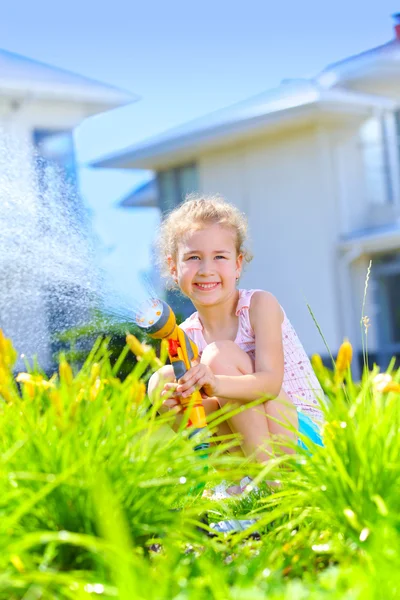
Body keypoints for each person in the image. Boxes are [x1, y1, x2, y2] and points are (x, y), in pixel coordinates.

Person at [148, 194, 324, 489]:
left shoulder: (258, 305)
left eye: (220, 256)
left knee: (219, 356)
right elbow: (201, 430)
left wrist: (215, 383)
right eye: (193, 257)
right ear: (174, 267)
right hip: (246, 453)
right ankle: (246, 490)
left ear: (238, 264)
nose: (206, 269)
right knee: (163, 379)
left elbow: (268, 384)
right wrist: (175, 406)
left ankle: (277, 490)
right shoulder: (184, 336)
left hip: (303, 440)